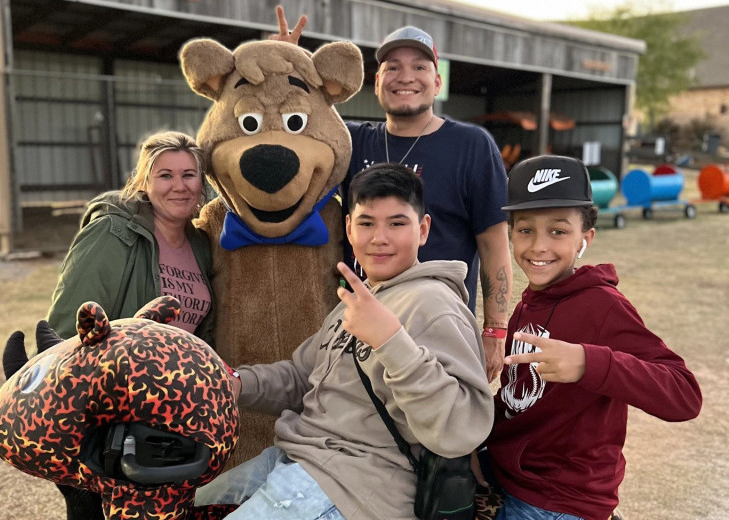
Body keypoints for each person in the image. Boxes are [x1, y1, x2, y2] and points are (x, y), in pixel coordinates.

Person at [192, 162, 493, 519]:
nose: (379, 238)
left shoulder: (433, 304)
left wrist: (391, 340)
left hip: (357, 485)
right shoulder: (360, 300)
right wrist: (236, 383)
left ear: (423, 229)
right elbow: (303, 376)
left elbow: (461, 427)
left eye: (397, 223)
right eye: (366, 223)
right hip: (296, 457)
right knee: (188, 503)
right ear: (348, 228)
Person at [272, 7, 512, 382]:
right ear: (378, 80)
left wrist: (495, 331)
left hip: (435, 325)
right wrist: (283, 68)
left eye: (419, 67)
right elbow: (286, 133)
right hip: (359, 322)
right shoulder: (350, 140)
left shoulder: (471, 146)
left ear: (437, 82)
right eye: (393, 67)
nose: (406, 77)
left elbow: (494, 242)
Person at [479, 155, 702, 520]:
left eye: (558, 231)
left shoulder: (603, 306)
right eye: (525, 230)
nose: (538, 246)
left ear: (586, 238)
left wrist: (588, 363)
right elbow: (519, 402)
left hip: (559, 504)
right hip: (513, 480)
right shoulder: (529, 303)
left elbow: (685, 395)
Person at [44, 130, 216, 520]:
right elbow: (69, 319)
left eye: (189, 175)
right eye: (165, 175)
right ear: (144, 182)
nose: (179, 186)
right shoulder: (113, 232)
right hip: (114, 403)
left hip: (173, 407)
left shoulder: (202, 243)